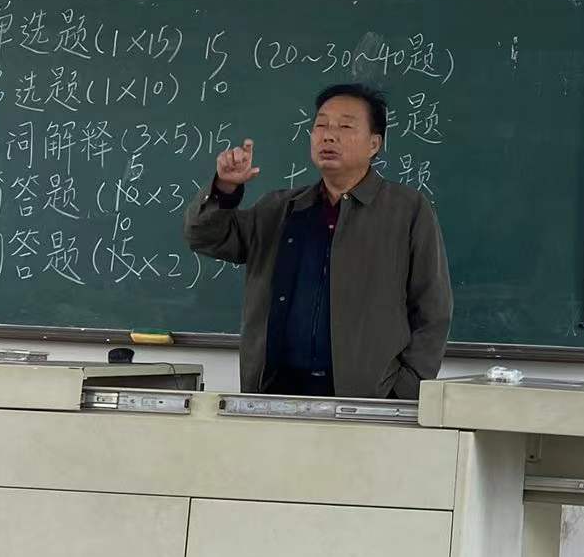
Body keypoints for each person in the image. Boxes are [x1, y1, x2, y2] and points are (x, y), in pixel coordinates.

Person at [183, 82, 452, 399]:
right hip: (274, 395)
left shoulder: (406, 210)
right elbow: (203, 236)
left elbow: (432, 309)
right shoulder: (281, 209)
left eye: (345, 126)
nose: (329, 135)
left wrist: (404, 390)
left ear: (374, 144)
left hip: (367, 401)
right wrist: (224, 188)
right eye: (321, 125)